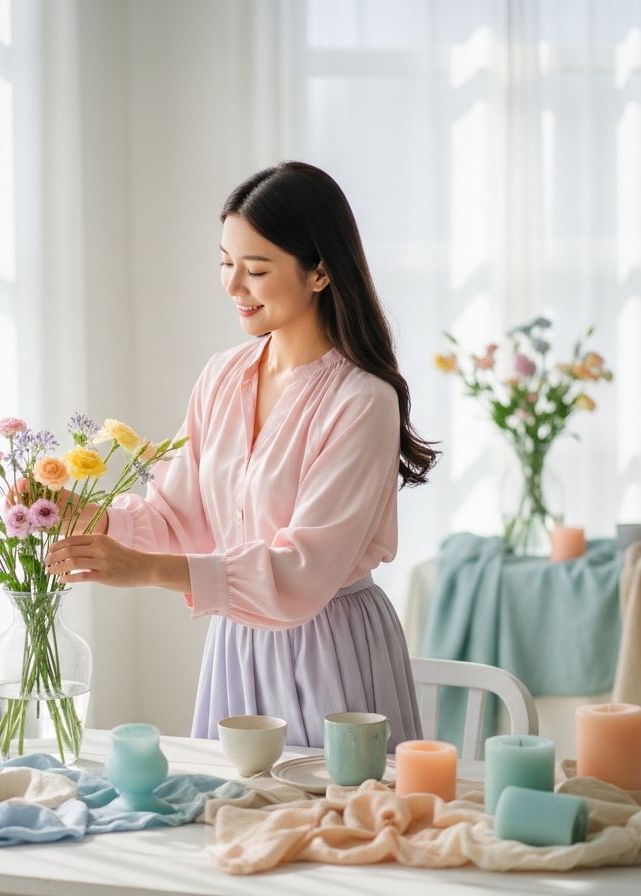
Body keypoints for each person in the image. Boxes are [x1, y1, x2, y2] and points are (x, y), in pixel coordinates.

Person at [46, 161, 437, 748]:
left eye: (255, 269)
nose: (232, 286)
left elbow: (302, 572)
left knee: (331, 825)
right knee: (232, 821)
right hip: (236, 645)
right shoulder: (222, 377)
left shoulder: (362, 401)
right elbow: (176, 516)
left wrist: (148, 570)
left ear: (320, 274)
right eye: (226, 263)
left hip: (329, 645)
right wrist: (84, 515)